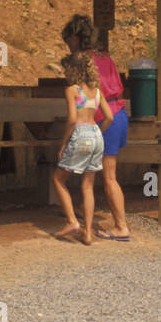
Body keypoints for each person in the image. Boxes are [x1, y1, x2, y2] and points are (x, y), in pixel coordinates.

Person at [61, 14, 131, 241]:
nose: (67, 45)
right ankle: (84, 209)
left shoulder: (81, 59)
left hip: (103, 116)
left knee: (109, 177)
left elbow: (82, 92)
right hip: (119, 112)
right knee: (96, 175)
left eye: (68, 40)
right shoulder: (105, 56)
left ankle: (121, 227)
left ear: (76, 37)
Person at [53, 52, 114, 245]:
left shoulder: (72, 90)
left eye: (66, 70)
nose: (64, 73)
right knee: (87, 186)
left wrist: (63, 144)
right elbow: (110, 117)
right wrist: (97, 131)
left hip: (79, 134)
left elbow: (72, 119)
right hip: (96, 135)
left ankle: (72, 221)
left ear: (73, 70)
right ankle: (87, 233)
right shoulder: (97, 91)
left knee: (58, 179)